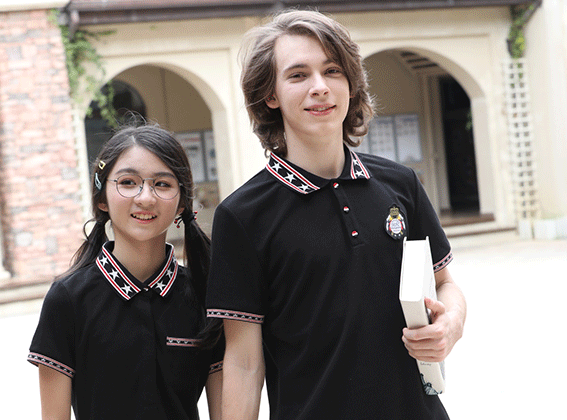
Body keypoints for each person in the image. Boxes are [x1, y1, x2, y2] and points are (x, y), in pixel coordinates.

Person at [206, 9, 466, 420]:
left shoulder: (400, 184)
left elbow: (446, 283)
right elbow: (244, 362)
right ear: (270, 95)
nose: (320, 87)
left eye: (332, 71)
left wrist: (450, 324)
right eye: (298, 75)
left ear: (350, 84)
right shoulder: (241, 216)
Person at [28, 124, 223, 420]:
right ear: (102, 198)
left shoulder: (204, 294)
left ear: (182, 202)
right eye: (128, 182)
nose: (145, 198)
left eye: (162, 184)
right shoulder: (67, 299)